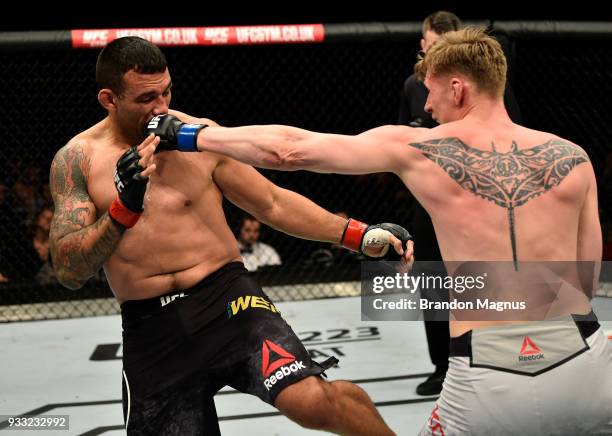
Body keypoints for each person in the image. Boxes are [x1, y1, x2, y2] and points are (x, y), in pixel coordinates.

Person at [148, 27, 612, 435]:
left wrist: (191, 135)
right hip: (583, 359)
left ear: (459, 88)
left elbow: (290, 151)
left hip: (487, 373)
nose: (426, 105)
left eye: (429, 92)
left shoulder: (419, 148)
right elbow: (586, 280)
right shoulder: (572, 157)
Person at [49, 36, 412, 436]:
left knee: (310, 400)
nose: (161, 108)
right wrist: (122, 210)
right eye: (146, 99)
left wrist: (357, 235)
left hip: (227, 298)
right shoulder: (77, 161)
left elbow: (270, 202)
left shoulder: (199, 137)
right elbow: (69, 269)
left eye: (166, 92)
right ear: (109, 99)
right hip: (151, 326)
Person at [398, 10, 525, 396]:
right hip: (434, 197)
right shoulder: (414, 86)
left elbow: (504, 43)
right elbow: (403, 144)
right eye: (426, 45)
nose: (428, 52)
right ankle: (444, 367)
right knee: (433, 279)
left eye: (438, 45)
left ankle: (505, 356)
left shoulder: (487, 80)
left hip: (481, 195)